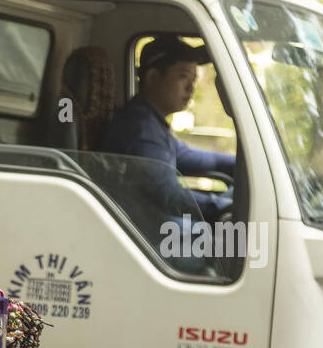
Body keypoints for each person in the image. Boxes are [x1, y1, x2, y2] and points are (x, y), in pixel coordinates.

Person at [100, 34, 236, 222]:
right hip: (151, 238)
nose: (191, 88)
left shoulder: (151, 122)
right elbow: (168, 196)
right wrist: (222, 207)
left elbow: (203, 160)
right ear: (153, 78)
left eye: (194, 80)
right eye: (183, 77)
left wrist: (243, 165)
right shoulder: (140, 129)